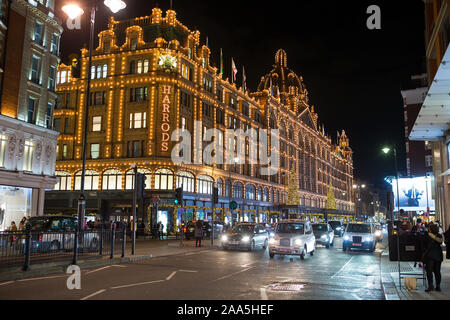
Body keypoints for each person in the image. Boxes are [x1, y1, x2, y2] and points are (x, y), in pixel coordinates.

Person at [423, 224, 444, 292]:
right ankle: (438, 286)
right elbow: (440, 242)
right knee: (437, 271)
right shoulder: (439, 236)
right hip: (438, 255)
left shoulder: (427, 235)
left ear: (430, 229)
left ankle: (430, 286)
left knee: (429, 271)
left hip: (430, 256)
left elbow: (424, 244)